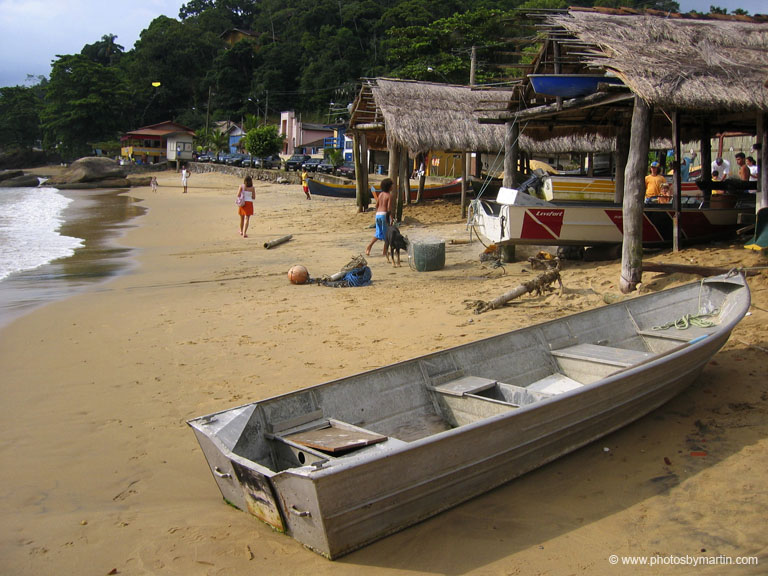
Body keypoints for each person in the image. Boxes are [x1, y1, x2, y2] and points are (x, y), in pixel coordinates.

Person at [365, 178, 393, 256]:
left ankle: (369, 246)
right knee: (387, 234)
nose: (393, 187)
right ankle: (385, 251)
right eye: (392, 186)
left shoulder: (380, 194)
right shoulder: (389, 195)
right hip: (384, 215)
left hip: (378, 214)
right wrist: (391, 217)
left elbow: (376, 205)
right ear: (389, 187)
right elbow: (388, 208)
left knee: (378, 233)